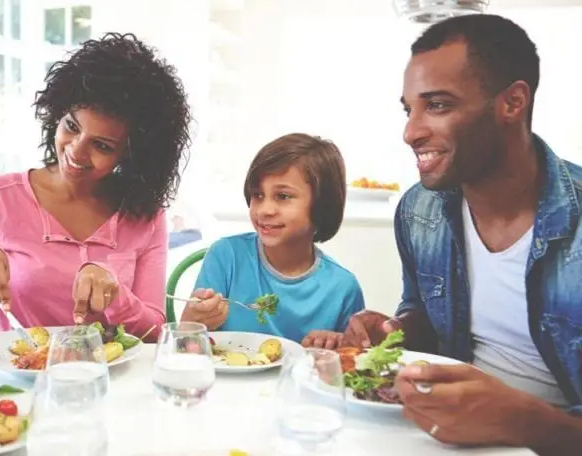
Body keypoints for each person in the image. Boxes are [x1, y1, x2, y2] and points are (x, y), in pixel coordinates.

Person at [341, 14, 581, 453]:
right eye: (408, 108)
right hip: (444, 434)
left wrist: (518, 419)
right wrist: (396, 329)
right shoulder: (419, 211)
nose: (411, 132)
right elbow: (427, 316)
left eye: (437, 105)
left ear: (512, 103)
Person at [0, 33, 191, 342]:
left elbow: (153, 334)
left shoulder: (145, 216)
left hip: (113, 385)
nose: (76, 152)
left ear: (131, 155)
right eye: (71, 126)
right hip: (21, 383)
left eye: (102, 145)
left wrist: (117, 296)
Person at [181, 133, 365, 347]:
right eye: (258, 195)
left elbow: (353, 366)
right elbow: (187, 347)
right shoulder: (226, 256)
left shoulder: (343, 288)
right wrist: (190, 324)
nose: (265, 210)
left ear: (323, 205)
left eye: (283, 196)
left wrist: (335, 349)